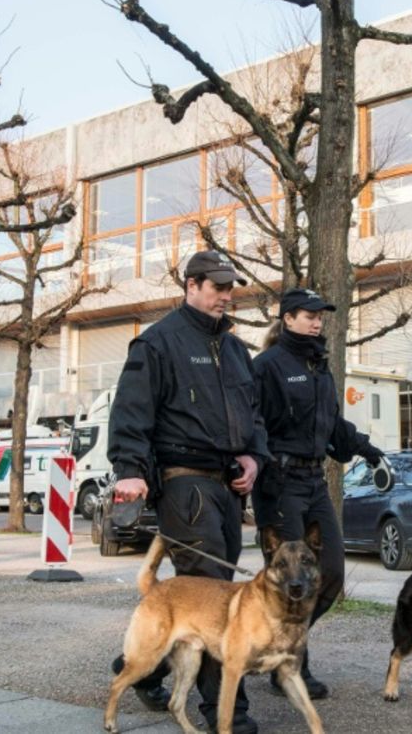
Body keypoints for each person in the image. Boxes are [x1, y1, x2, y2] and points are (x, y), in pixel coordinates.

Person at [108, 250, 269, 734]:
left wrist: (253, 456)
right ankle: (227, 714)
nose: (226, 296)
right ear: (191, 285)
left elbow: (254, 415)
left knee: (214, 590)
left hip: (227, 487)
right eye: (217, 287)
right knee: (216, 596)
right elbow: (131, 410)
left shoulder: (236, 350)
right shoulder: (158, 342)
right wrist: (129, 469)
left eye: (230, 287)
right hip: (182, 483)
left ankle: (141, 667)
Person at [251, 288, 384, 699]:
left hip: (314, 482)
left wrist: (367, 449)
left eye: (320, 316)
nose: (317, 322)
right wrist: (253, 470)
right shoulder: (267, 366)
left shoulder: (319, 366)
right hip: (279, 484)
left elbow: (332, 424)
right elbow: (251, 423)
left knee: (331, 573)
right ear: (288, 318)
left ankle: (280, 645)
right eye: (309, 315)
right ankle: (290, 666)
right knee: (292, 578)